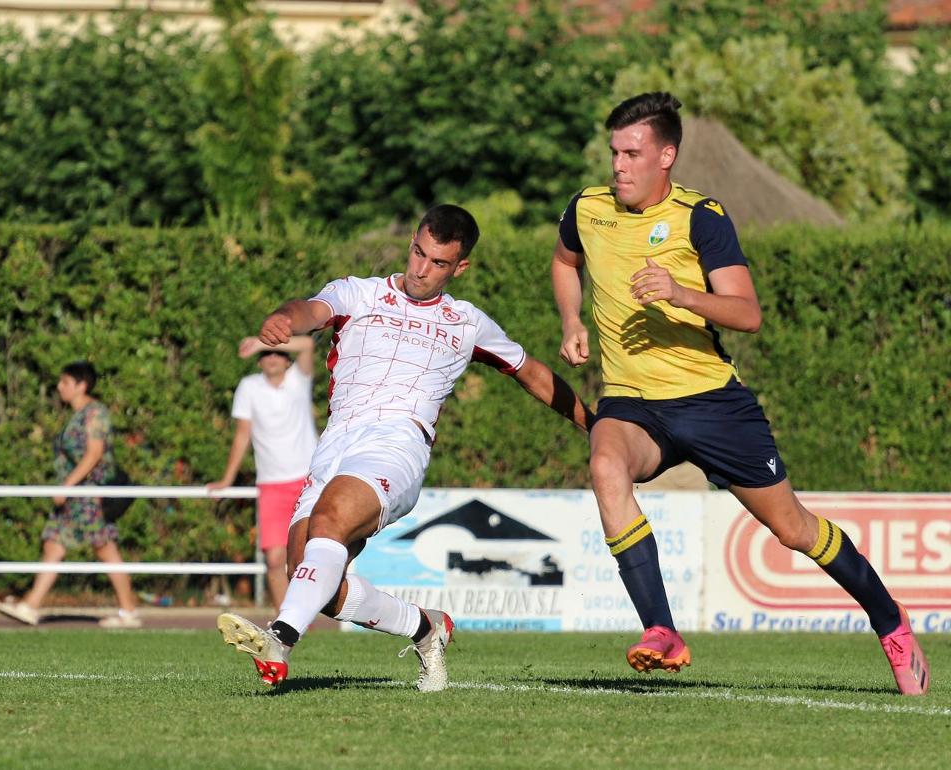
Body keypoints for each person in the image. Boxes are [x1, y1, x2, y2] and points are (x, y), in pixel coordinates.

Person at [550, 92, 929, 694]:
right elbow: (565, 262)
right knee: (604, 462)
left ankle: (891, 621)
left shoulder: (702, 216)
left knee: (795, 529)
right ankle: (662, 631)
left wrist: (681, 293)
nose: (618, 165)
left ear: (666, 155)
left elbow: (747, 313)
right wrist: (572, 322)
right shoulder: (588, 208)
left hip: (710, 404)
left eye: (632, 152)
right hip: (631, 400)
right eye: (614, 152)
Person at [217, 204, 594, 691]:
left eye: (437, 262)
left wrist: (595, 424)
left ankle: (281, 638)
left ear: (460, 268)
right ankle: (426, 627)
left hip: (397, 445)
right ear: (411, 241)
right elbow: (309, 310)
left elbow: (533, 374)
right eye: (418, 252)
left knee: (328, 524)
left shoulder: (466, 322)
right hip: (335, 446)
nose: (421, 268)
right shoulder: (358, 292)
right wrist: (281, 319)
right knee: (311, 581)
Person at [0, 361, 142, 629]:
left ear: (81, 385)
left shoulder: (95, 413)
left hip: (90, 495)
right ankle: (30, 606)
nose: (59, 387)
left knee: (105, 548)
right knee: (54, 544)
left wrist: (67, 485)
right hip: (77, 495)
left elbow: (94, 454)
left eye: (65, 382)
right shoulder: (77, 415)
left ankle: (129, 611)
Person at [206, 335, 317, 608]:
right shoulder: (249, 386)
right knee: (275, 560)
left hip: (310, 480)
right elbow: (242, 435)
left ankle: (311, 616)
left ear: (286, 358)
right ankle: (287, 624)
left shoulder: (298, 378)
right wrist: (227, 479)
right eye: (266, 354)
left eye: (276, 352)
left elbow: (307, 345)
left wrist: (260, 341)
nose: (271, 357)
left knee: (312, 556)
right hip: (271, 484)